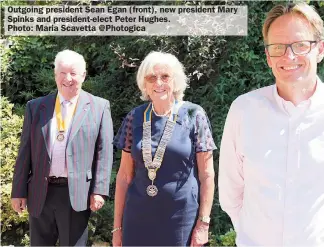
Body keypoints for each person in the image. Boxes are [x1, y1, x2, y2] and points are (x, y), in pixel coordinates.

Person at [218, 2, 324, 246]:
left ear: (320, 49)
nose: (289, 56)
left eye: (300, 45)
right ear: (267, 56)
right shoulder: (243, 111)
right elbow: (231, 195)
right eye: (278, 47)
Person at [112, 51, 216, 246]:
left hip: (180, 218)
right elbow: (124, 176)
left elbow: (207, 174)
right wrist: (117, 227)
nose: (158, 83)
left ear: (175, 80)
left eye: (165, 76)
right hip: (138, 218)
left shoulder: (194, 114)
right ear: (144, 84)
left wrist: (203, 224)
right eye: (152, 77)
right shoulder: (134, 117)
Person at [11, 50, 114, 246]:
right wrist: (18, 191)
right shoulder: (35, 107)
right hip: (41, 192)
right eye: (63, 73)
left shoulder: (99, 107)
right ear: (55, 75)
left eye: (74, 73)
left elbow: (104, 152)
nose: (68, 79)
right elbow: (25, 151)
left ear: (83, 75)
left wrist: (99, 190)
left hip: (76, 194)